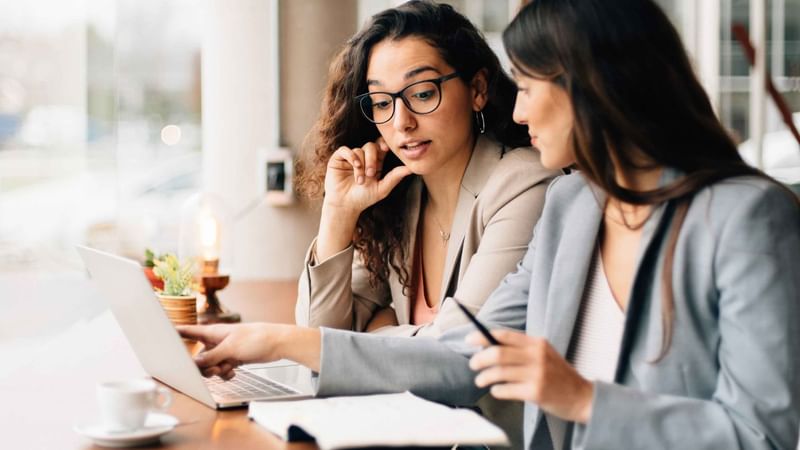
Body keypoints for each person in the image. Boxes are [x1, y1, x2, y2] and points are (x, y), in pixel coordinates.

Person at [180, 1, 800, 449]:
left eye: (528, 86)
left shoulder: (745, 217)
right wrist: (279, 340)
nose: (520, 109)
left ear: (597, 86)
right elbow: (461, 356)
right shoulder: (574, 206)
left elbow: (765, 434)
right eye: (383, 102)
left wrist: (582, 399)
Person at [293, 0, 556, 338]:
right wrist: (338, 212)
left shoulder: (522, 183)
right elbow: (319, 336)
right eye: (383, 102)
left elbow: (459, 346)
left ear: (477, 90)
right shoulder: (399, 195)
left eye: (422, 93)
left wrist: (377, 330)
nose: (402, 122)